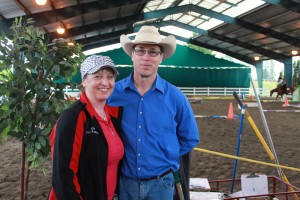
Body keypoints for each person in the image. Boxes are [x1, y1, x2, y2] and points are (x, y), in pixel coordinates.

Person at [107, 25, 200, 200]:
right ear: (132, 54)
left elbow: (190, 138)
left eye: (153, 52)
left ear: (161, 57)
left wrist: (165, 154)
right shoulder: (113, 94)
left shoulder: (175, 97)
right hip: (124, 183)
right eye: (140, 51)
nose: (146, 58)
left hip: (162, 184)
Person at [48, 55, 124, 200]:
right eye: (97, 76)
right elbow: (63, 176)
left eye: (110, 76)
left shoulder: (112, 116)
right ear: (84, 81)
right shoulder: (73, 117)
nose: (105, 82)